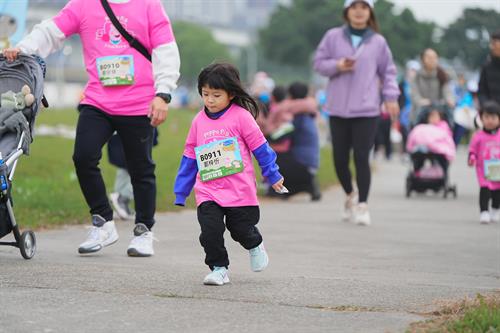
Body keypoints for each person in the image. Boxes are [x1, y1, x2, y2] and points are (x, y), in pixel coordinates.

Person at [2, 0, 181, 256]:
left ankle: (144, 231)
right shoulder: (85, 4)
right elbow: (51, 30)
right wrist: (22, 48)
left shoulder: (149, 5)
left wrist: (163, 93)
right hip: (98, 100)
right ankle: (102, 221)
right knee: (83, 156)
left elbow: (166, 49)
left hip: (138, 103)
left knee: (140, 167)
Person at [173, 63, 285, 286]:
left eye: (216, 95)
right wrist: (181, 191)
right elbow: (190, 157)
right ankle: (219, 268)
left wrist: (273, 175)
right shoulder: (198, 121)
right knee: (209, 232)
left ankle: (254, 244)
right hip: (208, 190)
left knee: (240, 230)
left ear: (231, 94)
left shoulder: (241, 117)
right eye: (205, 94)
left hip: (239, 190)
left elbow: (261, 149)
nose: (210, 100)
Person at [313, 0, 400, 226]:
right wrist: (338, 65)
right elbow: (319, 64)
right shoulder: (333, 36)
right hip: (338, 108)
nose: (359, 11)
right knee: (339, 159)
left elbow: (389, 73)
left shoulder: (378, 42)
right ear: (347, 11)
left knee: (362, 156)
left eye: (364, 7)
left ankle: (362, 205)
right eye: (354, 7)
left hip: (367, 108)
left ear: (369, 12)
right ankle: (350, 194)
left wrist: (391, 97)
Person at [265, 82, 321, 200]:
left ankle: (278, 189)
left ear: (290, 96)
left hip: (304, 163)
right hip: (310, 161)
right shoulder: (308, 114)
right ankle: (302, 187)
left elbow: (280, 135)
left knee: (274, 157)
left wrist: (265, 137)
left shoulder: (299, 117)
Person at [468, 101, 500, 224]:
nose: (490, 121)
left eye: (493, 117)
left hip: (497, 169)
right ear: (481, 118)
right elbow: (472, 150)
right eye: (486, 117)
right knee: (485, 189)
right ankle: (484, 211)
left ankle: (495, 209)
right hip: (483, 169)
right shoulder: (478, 136)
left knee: (497, 191)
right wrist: (472, 158)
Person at [410, 48, 454, 125]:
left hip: (438, 111)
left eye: (434, 57)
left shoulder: (441, 75)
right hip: (421, 111)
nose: (432, 60)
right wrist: (421, 101)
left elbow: (447, 91)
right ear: (422, 60)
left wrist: (450, 100)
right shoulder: (417, 76)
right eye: (429, 57)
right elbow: (414, 94)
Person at [406, 107, 456, 175]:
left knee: (441, 160)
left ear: (440, 118)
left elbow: (447, 138)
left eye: (435, 116)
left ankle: (443, 174)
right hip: (423, 147)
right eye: (431, 116)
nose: (433, 119)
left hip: (438, 148)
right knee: (418, 156)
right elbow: (415, 135)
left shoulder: (444, 126)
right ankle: (417, 173)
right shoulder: (423, 127)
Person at [478, 31, 500, 106]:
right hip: (492, 111)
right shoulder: (486, 67)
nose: (492, 47)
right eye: (491, 44)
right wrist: (487, 106)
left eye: (494, 44)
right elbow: (482, 92)